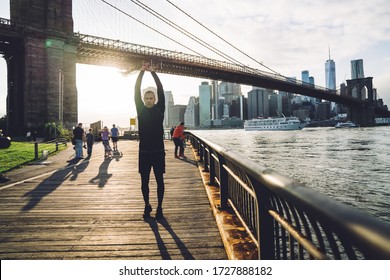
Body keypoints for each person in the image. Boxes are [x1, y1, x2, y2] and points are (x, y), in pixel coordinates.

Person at [135, 62, 165, 220]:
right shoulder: (140, 109)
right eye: (146, 97)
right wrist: (141, 72)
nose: (148, 99)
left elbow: (160, 89)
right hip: (144, 152)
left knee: (160, 181)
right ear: (143, 99)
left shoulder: (160, 109)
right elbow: (135, 91)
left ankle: (159, 207)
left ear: (155, 99)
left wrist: (153, 73)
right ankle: (147, 205)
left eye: (151, 97)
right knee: (144, 182)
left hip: (159, 152)